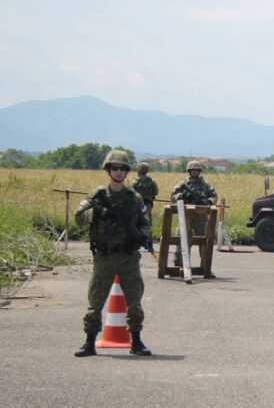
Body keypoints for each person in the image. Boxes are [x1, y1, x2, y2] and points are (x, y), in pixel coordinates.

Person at [73, 150, 152, 357]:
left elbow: (145, 224)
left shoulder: (134, 198)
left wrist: (142, 237)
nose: (118, 172)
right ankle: (89, 342)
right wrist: (95, 212)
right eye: (115, 168)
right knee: (96, 299)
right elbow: (78, 217)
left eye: (122, 169)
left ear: (127, 172)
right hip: (105, 256)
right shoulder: (97, 195)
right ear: (108, 170)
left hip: (128, 256)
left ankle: (136, 341)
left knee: (134, 300)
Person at [171, 160, 217, 274]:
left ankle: (206, 266)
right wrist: (181, 195)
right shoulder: (183, 184)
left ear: (199, 171)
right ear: (189, 171)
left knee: (203, 241)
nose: (195, 172)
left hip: (200, 216)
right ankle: (179, 264)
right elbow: (173, 195)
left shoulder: (205, 184)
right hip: (185, 215)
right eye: (193, 170)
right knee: (181, 238)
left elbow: (214, 196)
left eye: (197, 170)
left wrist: (208, 202)